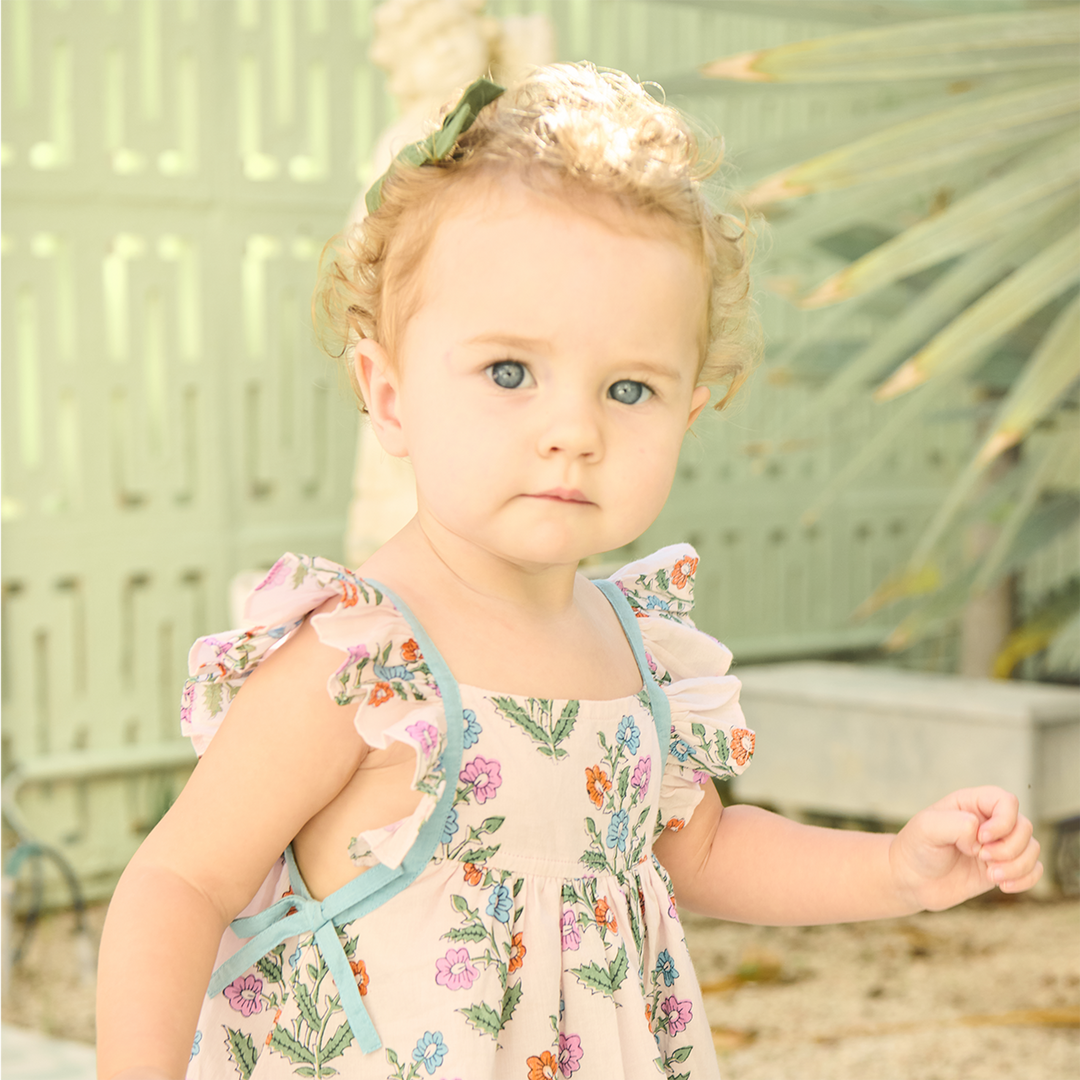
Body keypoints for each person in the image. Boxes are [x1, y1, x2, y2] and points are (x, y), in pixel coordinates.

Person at [96, 64, 1042, 1080]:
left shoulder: (635, 650)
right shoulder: (363, 661)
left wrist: (895, 870)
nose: (574, 432)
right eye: (510, 372)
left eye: (629, 389)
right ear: (391, 394)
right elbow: (182, 882)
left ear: (689, 411)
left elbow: (705, 851)